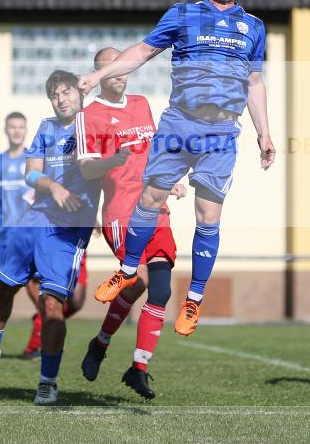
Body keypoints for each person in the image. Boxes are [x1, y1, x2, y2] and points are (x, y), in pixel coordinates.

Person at [78, 0, 275, 336]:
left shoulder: (253, 27)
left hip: (221, 132)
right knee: (151, 198)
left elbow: (254, 82)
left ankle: (194, 299)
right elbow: (142, 51)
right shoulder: (182, 14)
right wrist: (98, 77)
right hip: (179, 123)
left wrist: (264, 133)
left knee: (208, 215)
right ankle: (127, 270)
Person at [0, 71, 100, 405]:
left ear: (81, 95)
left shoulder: (95, 126)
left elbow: (116, 166)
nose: (60, 99)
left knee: (52, 305)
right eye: (54, 94)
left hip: (68, 229)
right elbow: (31, 172)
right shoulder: (47, 127)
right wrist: (53, 185)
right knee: (3, 286)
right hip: (34, 220)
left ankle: (47, 382)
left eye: (65, 93)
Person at [77, 47, 186, 399]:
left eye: (122, 65)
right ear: (98, 76)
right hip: (121, 214)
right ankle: (101, 343)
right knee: (135, 282)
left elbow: (156, 152)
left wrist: (171, 179)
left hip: (157, 208)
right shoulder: (89, 116)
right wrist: (112, 160)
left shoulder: (141, 104)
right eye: (109, 68)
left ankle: (138, 367)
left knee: (160, 290)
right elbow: (86, 168)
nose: (118, 73)